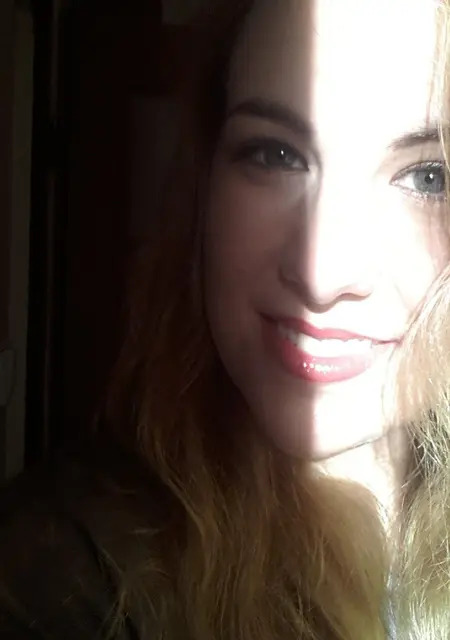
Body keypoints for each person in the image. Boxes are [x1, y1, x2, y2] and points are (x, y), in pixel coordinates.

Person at [2, 0, 450, 637]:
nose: (320, 274)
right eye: (274, 154)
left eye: (429, 177)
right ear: (205, 184)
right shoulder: (61, 571)